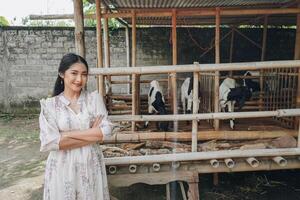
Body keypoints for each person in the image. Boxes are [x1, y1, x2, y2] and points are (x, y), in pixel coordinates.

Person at [39, 53, 113, 200]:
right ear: (61, 74)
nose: (79, 79)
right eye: (74, 73)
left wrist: (64, 135)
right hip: (62, 168)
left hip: (90, 164)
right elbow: (50, 142)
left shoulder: (93, 99)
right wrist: (92, 133)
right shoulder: (50, 105)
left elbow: (107, 131)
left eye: (84, 74)